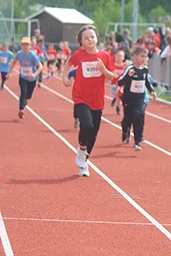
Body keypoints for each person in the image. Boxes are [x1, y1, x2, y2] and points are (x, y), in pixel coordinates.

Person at [62, 25, 115, 177]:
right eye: (86, 38)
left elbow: (111, 76)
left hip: (97, 99)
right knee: (86, 124)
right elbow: (68, 63)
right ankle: (82, 148)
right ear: (81, 42)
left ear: (97, 38)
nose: (90, 39)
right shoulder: (79, 54)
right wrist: (65, 77)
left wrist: (104, 70)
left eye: (92, 36)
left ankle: (84, 162)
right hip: (81, 97)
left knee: (94, 132)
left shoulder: (105, 56)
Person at [118, 46, 157, 151]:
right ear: (135, 56)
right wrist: (128, 77)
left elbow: (147, 82)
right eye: (142, 56)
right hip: (128, 99)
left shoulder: (145, 69)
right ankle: (125, 130)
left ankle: (137, 142)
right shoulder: (130, 69)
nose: (144, 59)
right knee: (127, 119)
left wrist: (152, 91)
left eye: (145, 56)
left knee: (139, 118)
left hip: (139, 99)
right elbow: (120, 82)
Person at [7, 37, 43, 119]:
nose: (25, 47)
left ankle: (26, 100)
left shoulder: (32, 55)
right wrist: (9, 73)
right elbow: (13, 62)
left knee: (28, 95)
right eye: (23, 45)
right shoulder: (19, 54)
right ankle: (21, 110)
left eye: (27, 45)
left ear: (30, 46)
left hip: (32, 78)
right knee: (23, 92)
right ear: (21, 46)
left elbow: (40, 66)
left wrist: (34, 74)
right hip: (23, 77)